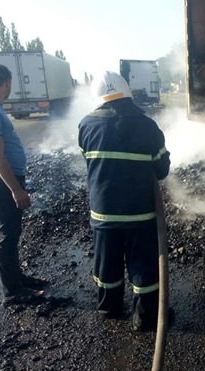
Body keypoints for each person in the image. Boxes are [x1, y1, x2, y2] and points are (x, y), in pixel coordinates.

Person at [78, 71, 171, 331]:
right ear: (127, 94)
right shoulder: (147, 126)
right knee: (143, 265)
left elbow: (88, 159)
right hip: (140, 215)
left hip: (103, 214)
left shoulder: (85, 125)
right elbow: (162, 170)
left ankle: (109, 308)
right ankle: (145, 317)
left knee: (107, 263)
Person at [0, 64, 48, 305]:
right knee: (7, 234)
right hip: (1, 180)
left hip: (4, 178)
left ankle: (17, 278)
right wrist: (16, 189)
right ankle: (12, 292)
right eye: (9, 84)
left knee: (13, 232)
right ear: (6, 83)